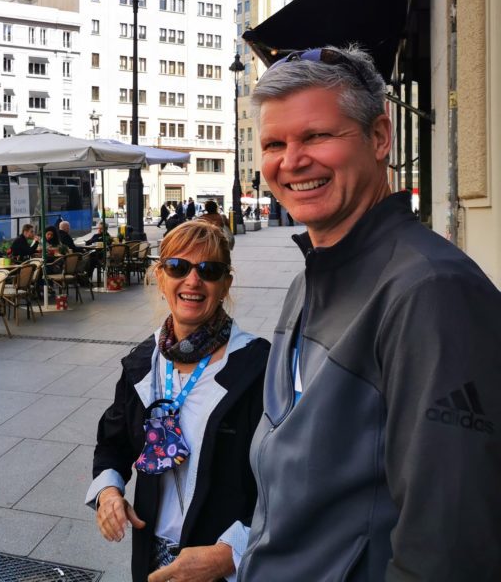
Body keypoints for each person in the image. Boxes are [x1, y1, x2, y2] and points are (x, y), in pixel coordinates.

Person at [238, 46, 501, 580]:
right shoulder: (310, 278)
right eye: (274, 144)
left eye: (317, 136)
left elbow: (447, 549)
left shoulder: (431, 292)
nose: (292, 161)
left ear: (380, 137)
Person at [88, 221, 269, 582]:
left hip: (226, 568)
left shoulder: (258, 368)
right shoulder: (143, 364)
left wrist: (230, 554)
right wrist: (108, 491)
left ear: (225, 284)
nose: (192, 280)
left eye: (209, 270)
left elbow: (290, 482)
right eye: (177, 267)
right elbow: (113, 444)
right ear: (160, 277)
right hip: (152, 560)